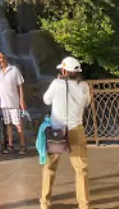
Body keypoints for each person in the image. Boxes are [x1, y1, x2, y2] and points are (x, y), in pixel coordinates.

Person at [40, 57, 92, 209]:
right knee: (81, 169)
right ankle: (84, 205)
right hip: (76, 129)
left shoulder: (56, 84)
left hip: (57, 131)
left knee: (50, 167)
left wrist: (59, 83)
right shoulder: (84, 86)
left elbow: (46, 100)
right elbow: (87, 102)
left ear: (64, 71)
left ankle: (45, 202)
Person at [0, 51, 27, 155]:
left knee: (18, 124)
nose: (1, 60)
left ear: (5, 58)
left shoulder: (14, 69)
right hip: (3, 103)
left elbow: (20, 85)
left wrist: (21, 99)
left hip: (14, 102)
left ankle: (22, 146)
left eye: (2, 57)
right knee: (8, 125)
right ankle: (10, 145)